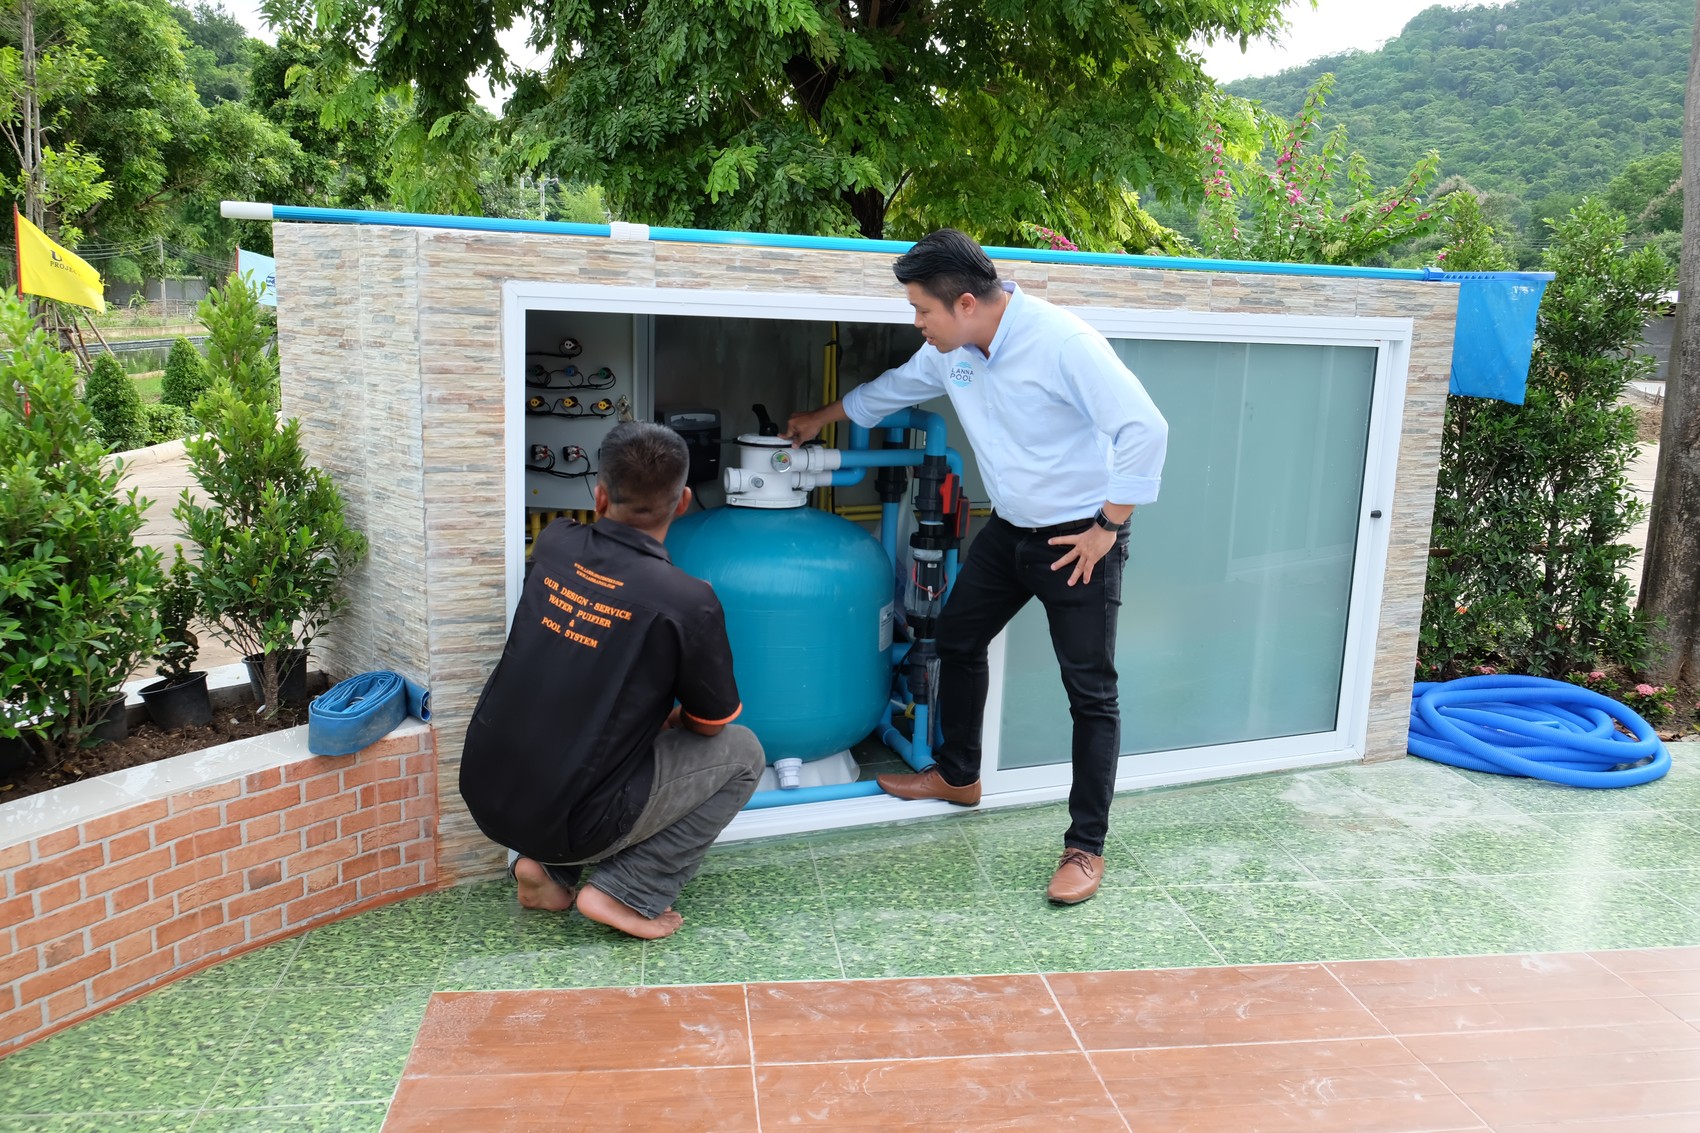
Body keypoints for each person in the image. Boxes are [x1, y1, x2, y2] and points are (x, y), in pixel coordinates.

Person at [783, 229, 1168, 906]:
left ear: (965, 303)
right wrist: (821, 417)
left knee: (1090, 693)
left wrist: (1108, 527)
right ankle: (959, 774)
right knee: (956, 639)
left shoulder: (1062, 343)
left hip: (1079, 539)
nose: (917, 323)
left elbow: (1146, 428)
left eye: (921, 310)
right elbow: (891, 389)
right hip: (1011, 529)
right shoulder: (954, 351)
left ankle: (1085, 845)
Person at [459, 421, 764, 939]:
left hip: (485, 791)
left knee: (590, 727)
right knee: (744, 754)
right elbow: (711, 725)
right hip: (579, 821)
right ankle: (627, 890)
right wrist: (675, 720)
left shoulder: (555, 542)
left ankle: (545, 870)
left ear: (599, 496)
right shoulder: (687, 601)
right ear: (683, 502)